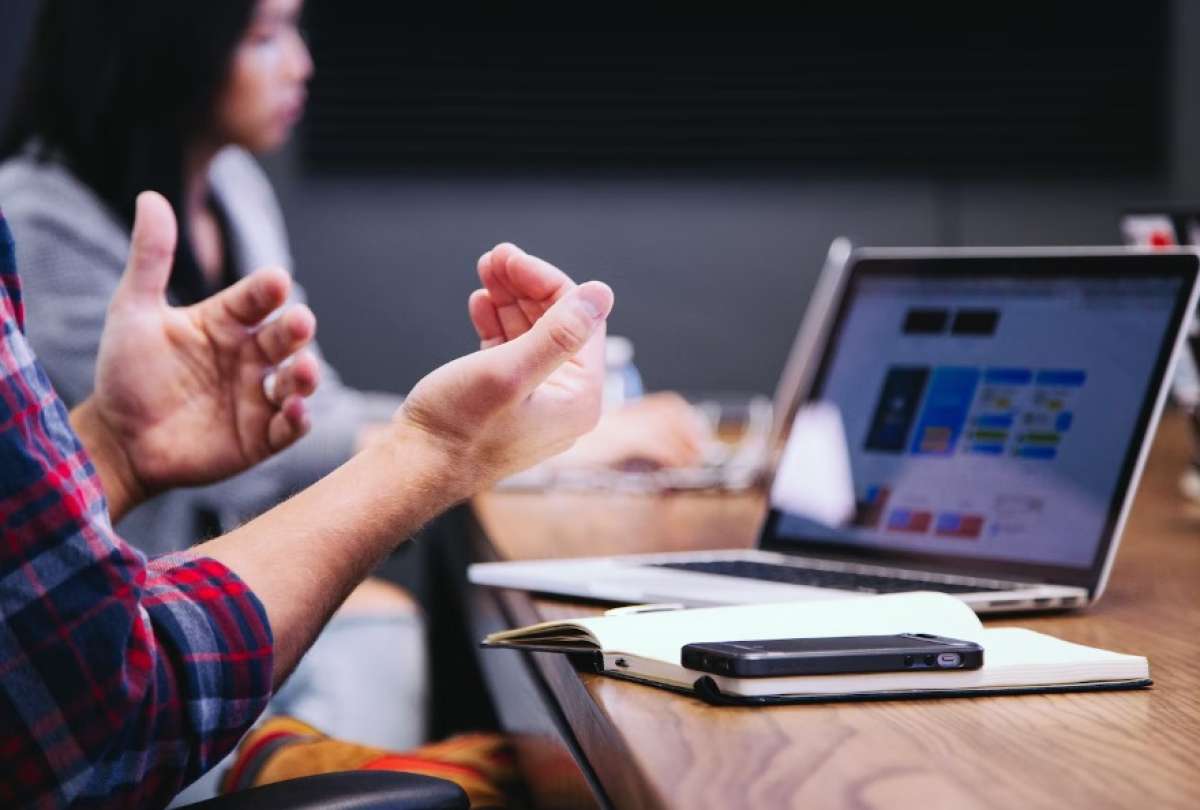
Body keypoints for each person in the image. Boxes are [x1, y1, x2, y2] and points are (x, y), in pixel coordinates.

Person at [0, 0, 704, 768]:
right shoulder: (35, 224)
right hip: (131, 675)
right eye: (264, 36)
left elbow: (302, 414)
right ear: (161, 46)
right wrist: (484, 445)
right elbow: (284, 459)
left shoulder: (231, 186)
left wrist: (119, 448)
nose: (300, 63)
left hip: (183, 624)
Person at [0, 189, 614, 807]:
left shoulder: (235, 186)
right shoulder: (41, 212)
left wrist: (112, 451)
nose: (302, 83)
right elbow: (103, 707)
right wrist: (437, 451)